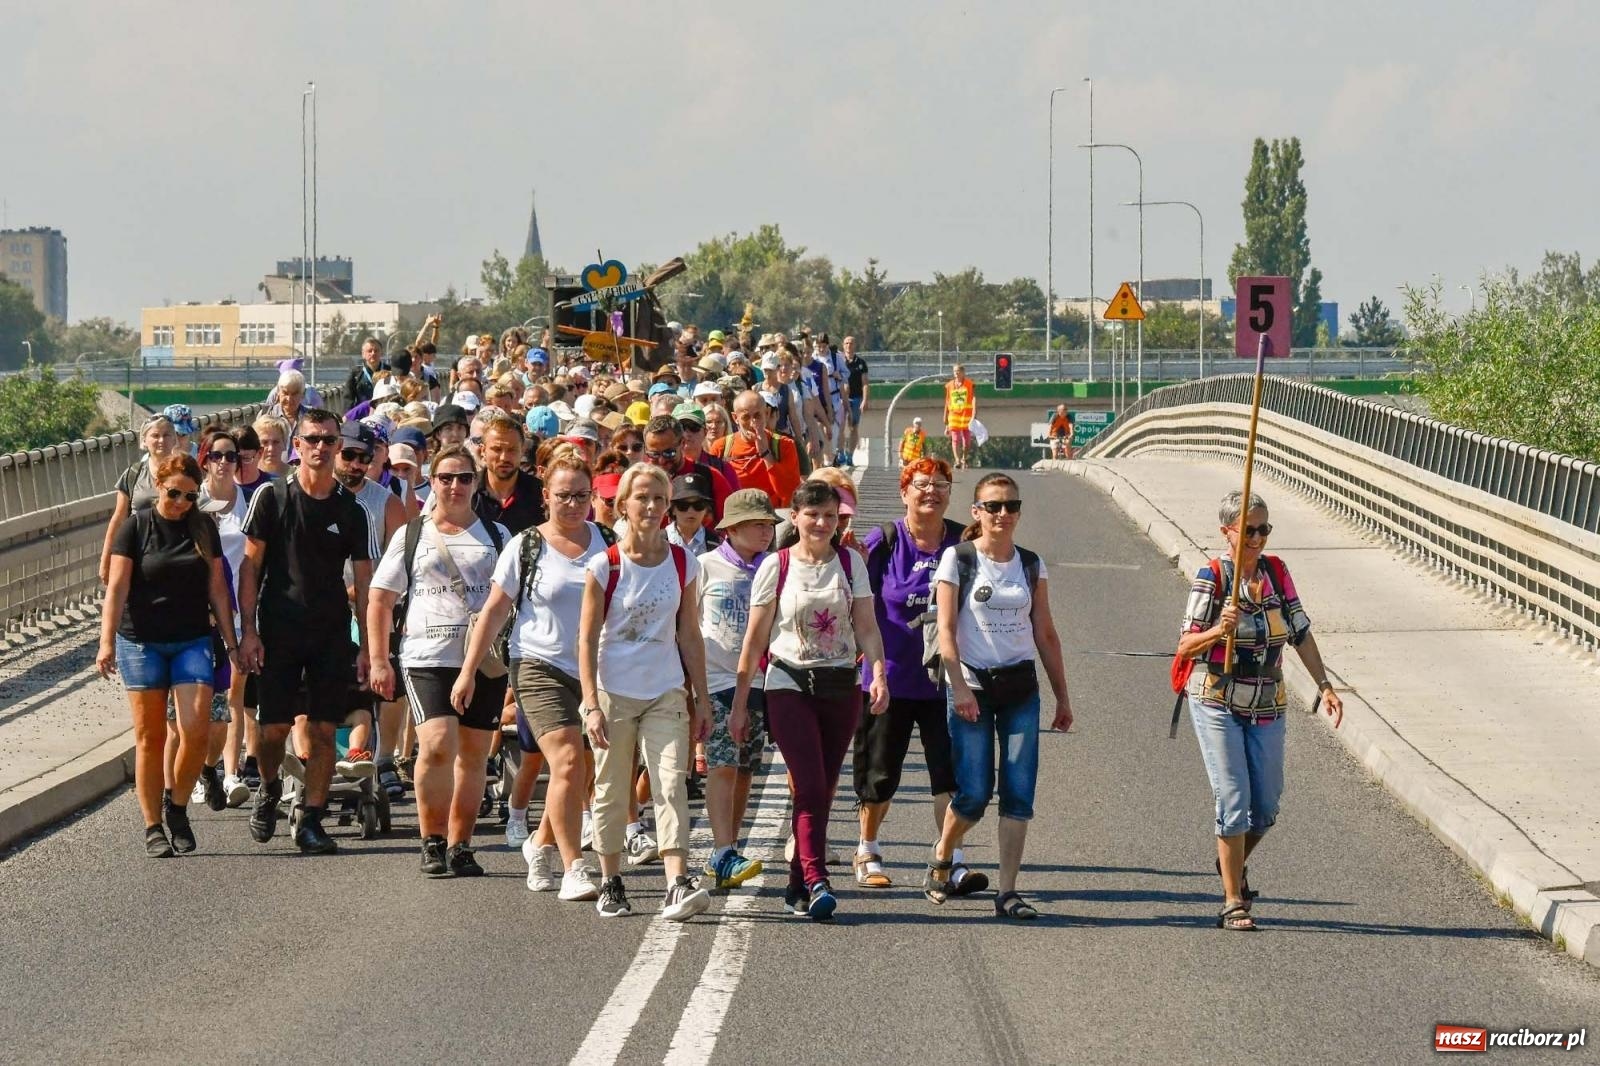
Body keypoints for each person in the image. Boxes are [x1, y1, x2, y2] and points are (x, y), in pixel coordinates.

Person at [1177, 490, 1344, 931]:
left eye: (1263, 529)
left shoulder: (1276, 573)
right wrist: (1218, 629)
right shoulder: (1211, 576)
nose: (1256, 538)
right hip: (1217, 699)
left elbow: (1301, 633)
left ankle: (1229, 860)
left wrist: (1325, 685)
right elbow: (1185, 645)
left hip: (1268, 702)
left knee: (1265, 806)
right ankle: (1234, 900)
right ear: (1227, 531)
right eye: (1248, 530)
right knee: (1233, 800)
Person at [733, 481, 889, 921]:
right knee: (811, 785)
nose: (822, 523)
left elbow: (867, 627)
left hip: (840, 684)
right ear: (795, 518)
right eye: (812, 514)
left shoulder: (849, 562)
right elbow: (755, 639)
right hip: (788, 683)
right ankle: (818, 877)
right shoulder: (776, 566)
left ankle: (797, 885)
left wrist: (878, 673)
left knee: (824, 786)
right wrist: (742, 704)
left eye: (830, 516)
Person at [457, 448, 607, 900]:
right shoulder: (526, 545)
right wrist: (468, 673)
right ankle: (574, 866)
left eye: (582, 495)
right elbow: (494, 610)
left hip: (594, 671)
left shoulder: (606, 541)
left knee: (578, 770)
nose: (574, 504)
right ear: (546, 496)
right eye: (564, 496)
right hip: (537, 665)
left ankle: (540, 844)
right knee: (566, 761)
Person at [928, 473, 1072, 919]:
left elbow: (1045, 632)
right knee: (973, 793)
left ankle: (1007, 892)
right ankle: (942, 855)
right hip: (972, 685)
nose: (1003, 514)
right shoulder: (959, 559)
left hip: (1019, 690)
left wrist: (1062, 697)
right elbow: (946, 632)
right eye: (993, 506)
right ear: (977, 512)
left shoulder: (1031, 563)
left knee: (1018, 792)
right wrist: (958, 687)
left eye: (1011, 506)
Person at [577, 464, 713, 920]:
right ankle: (611, 879)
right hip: (614, 691)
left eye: (659, 498)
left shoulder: (682, 561)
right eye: (642, 498)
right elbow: (587, 638)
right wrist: (591, 704)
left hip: (666, 690)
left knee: (670, 782)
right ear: (623, 506)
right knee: (613, 788)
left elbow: (689, 633)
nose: (651, 507)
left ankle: (676, 881)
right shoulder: (605, 564)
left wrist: (702, 697)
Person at [237, 409, 373, 855]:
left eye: (329, 441)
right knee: (273, 729)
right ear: (298, 446)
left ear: (337, 447)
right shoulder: (272, 497)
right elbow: (250, 567)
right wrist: (249, 631)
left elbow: (366, 582)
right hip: (278, 627)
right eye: (312, 439)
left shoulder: (351, 510)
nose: (321, 447)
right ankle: (271, 786)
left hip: (331, 631)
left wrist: (371, 647)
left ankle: (311, 817)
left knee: (321, 728)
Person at [368, 445, 509, 877]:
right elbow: (380, 598)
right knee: (436, 743)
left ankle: (460, 844)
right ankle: (431, 840)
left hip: (482, 659)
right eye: (445, 478)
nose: (454, 486)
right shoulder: (412, 534)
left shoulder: (498, 535)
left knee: (473, 753)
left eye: (464, 478)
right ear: (433, 481)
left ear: (475, 482)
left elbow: (513, 602)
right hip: (426, 655)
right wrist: (378, 660)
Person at [95, 453, 236, 856]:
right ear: (159, 485)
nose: (181, 502)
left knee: (196, 731)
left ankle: (176, 806)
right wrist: (106, 643)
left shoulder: (202, 527)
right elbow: (117, 590)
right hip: (140, 641)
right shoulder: (135, 527)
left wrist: (231, 642)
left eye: (190, 496)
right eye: (174, 493)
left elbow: (218, 591)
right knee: (150, 737)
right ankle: (153, 826)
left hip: (192, 639)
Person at [851, 458, 969, 889]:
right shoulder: (883, 542)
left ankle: (949, 858)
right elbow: (857, 602)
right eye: (921, 484)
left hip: (949, 681)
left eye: (941, 484)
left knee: (949, 773)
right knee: (880, 773)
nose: (931, 492)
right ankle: (868, 849)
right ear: (905, 492)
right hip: (891, 678)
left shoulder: (963, 542)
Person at [696, 489, 778, 890]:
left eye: (769, 525)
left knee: (746, 767)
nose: (767, 531)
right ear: (732, 528)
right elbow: (687, 627)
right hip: (715, 679)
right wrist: (691, 688)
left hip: (762, 680)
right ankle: (722, 847)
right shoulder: (705, 567)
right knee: (723, 763)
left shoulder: (775, 567)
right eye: (758, 524)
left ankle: (729, 845)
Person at [99, 414, 179, 585]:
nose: (161, 440)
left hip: (175, 552)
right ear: (144, 441)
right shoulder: (133, 474)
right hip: (137, 554)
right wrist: (106, 561)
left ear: (175, 440)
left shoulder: (184, 473)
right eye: (155, 435)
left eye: (167, 435)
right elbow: (119, 519)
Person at [709, 390, 802, 510]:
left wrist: (766, 453)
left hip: (773, 516)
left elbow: (789, 495)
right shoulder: (720, 447)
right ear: (735, 418)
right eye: (746, 417)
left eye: (757, 416)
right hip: (736, 516)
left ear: (767, 413)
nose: (753, 423)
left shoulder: (784, 444)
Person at [641, 415, 732, 525]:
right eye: (654, 454)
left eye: (669, 453)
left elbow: (729, 524)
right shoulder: (639, 480)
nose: (661, 461)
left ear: (683, 443)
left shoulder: (709, 476)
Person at [667, 473, 718, 554]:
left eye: (698, 505)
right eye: (683, 505)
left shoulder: (718, 545)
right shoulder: (656, 541)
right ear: (672, 509)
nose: (690, 511)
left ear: (706, 509)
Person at [944, 364, 977, 470]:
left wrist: (974, 415)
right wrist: (945, 419)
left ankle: (964, 457)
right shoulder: (949, 385)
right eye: (954, 371)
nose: (956, 373)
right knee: (955, 439)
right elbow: (947, 401)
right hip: (953, 416)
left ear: (963, 372)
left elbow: (973, 399)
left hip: (966, 416)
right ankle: (957, 460)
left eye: (958, 371)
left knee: (966, 442)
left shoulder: (969, 384)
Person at [842, 337, 869, 461]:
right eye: (846, 343)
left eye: (851, 343)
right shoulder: (839, 361)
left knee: (853, 426)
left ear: (855, 345)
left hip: (856, 398)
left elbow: (865, 383)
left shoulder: (861, 363)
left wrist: (865, 400)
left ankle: (850, 455)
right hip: (842, 398)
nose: (849, 345)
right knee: (840, 426)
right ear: (843, 345)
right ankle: (840, 452)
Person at [233, 425, 274, 501]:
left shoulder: (275, 485)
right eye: (235, 458)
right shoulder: (222, 489)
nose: (240, 464)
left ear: (260, 453)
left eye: (246, 458)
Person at [345, 337, 389, 406]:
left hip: (384, 411)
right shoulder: (355, 374)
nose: (373, 353)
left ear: (381, 353)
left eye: (376, 351)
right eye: (369, 351)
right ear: (363, 354)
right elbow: (348, 399)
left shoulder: (389, 371)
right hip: (363, 413)